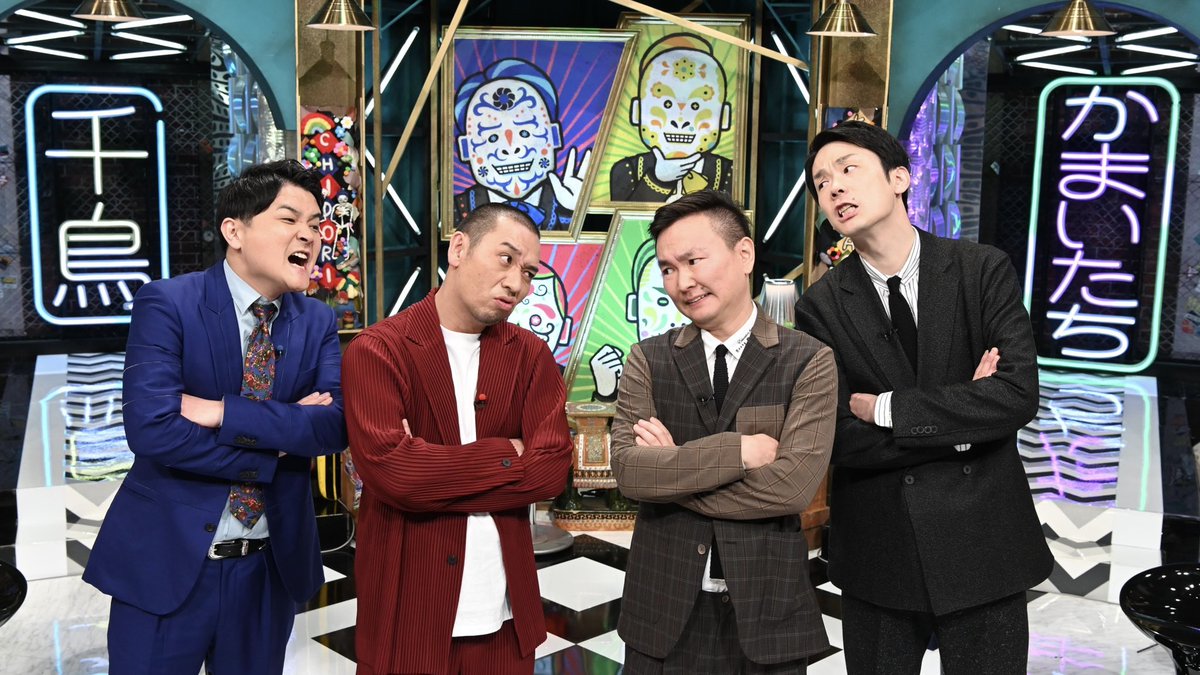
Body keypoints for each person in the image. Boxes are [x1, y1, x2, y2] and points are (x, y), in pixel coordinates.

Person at [794, 120, 1052, 673]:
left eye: (848, 169)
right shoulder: (820, 306)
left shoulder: (980, 270)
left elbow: (1016, 395)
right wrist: (965, 426)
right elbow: (835, 436)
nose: (834, 187)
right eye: (821, 182)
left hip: (984, 541)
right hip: (880, 548)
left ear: (900, 178)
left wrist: (886, 409)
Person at [84, 160, 348, 674]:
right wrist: (280, 441)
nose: (309, 236)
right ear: (235, 231)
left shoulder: (316, 320)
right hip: (166, 562)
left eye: (315, 224)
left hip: (268, 569)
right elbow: (153, 430)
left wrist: (222, 411)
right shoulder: (169, 303)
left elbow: (334, 426)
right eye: (289, 219)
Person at [611, 189, 837, 674]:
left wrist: (671, 474)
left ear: (744, 254)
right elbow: (630, 473)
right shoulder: (648, 359)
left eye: (694, 260)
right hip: (662, 609)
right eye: (668, 268)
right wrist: (738, 452)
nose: (682, 282)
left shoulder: (809, 360)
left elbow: (792, 488)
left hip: (769, 612)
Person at [342, 203, 573, 675]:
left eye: (528, 272)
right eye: (506, 259)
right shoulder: (378, 350)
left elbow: (551, 471)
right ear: (459, 249)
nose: (517, 283)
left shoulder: (531, 356)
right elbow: (396, 477)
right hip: (407, 614)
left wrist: (429, 466)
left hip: (506, 618)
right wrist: (509, 453)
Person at [452, 58, 588, 230]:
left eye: (525, 133)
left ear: (554, 136)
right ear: (465, 148)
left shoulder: (567, 203)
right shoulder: (457, 210)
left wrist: (571, 211)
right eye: (492, 138)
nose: (511, 148)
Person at [609, 34, 734, 203]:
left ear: (724, 117)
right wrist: (658, 180)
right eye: (667, 104)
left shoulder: (730, 172)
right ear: (637, 112)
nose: (680, 121)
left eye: (695, 106)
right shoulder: (627, 170)